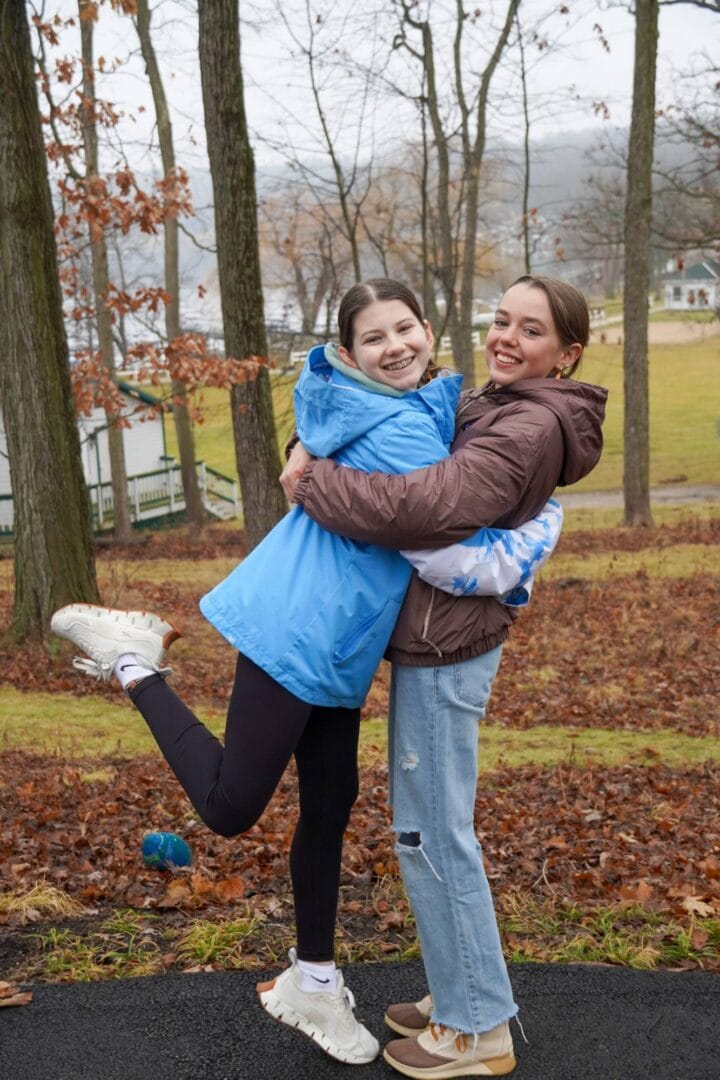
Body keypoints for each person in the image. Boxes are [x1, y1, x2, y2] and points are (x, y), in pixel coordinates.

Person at [51, 278, 554, 1068]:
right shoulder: (397, 431)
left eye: (406, 328)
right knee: (228, 807)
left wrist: (306, 447)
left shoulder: (410, 409)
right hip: (296, 627)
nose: (396, 347)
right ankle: (132, 663)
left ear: (427, 328)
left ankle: (313, 980)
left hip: (342, 643)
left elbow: (423, 444)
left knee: (331, 804)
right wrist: (541, 516)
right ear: (350, 356)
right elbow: (445, 507)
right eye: (374, 339)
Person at [281, 274, 608, 1078]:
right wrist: (307, 440)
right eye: (501, 319)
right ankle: (462, 986)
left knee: (432, 835)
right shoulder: (499, 402)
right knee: (429, 827)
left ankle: (476, 1030)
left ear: (564, 355)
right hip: (440, 634)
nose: (506, 337)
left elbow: (425, 504)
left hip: (449, 646)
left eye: (530, 331)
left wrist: (312, 482)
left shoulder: (529, 422)